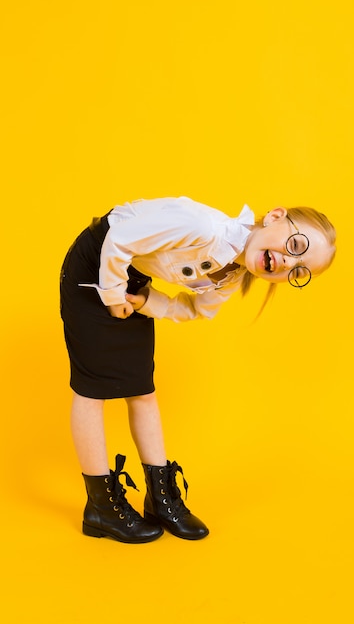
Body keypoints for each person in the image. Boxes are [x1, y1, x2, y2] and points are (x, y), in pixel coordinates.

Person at [60, 195, 336, 543]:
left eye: (298, 269)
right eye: (295, 245)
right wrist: (113, 296)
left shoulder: (233, 274)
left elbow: (196, 310)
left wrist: (147, 301)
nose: (286, 261)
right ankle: (101, 508)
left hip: (129, 277)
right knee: (93, 389)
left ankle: (160, 499)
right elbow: (120, 238)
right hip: (99, 263)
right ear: (276, 217)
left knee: (141, 390)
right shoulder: (203, 227)